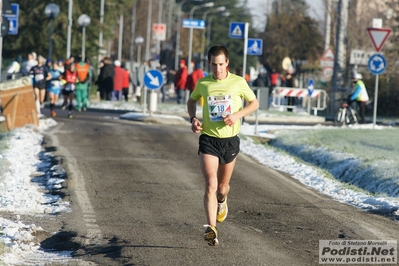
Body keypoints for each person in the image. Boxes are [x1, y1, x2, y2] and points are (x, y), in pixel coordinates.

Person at [187, 45, 259, 246]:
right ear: (209, 63)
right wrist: (193, 118)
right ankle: (212, 230)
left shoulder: (238, 82)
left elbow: (254, 104)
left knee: (222, 188)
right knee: (210, 183)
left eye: (221, 64)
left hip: (230, 141)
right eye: (213, 64)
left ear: (227, 63)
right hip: (209, 139)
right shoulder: (204, 83)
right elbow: (191, 101)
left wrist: (236, 115)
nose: (217, 69)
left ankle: (222, 201)